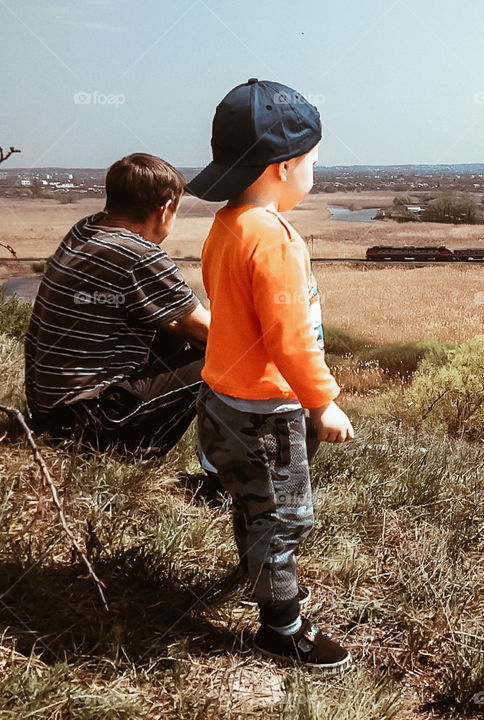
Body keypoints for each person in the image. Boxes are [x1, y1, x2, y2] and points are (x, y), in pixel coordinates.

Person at [188, 78, 355, 673]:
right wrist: (322, 400)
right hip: (268, 410)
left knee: (252, 502)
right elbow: (289, 336)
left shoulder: (227, 224)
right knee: (285, 515)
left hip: (222, 398)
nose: (314, 170)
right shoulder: (276, 239)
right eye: (312, 160)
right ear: (284, 166)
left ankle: (258, 575)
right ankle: (281, 629)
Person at [24, 153, 210, 461]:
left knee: (174, 328)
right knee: (223, 358)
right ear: (164, 210)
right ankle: (145, 457)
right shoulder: (139, 254)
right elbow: (207, 329)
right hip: (88, 425)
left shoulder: (85, 229)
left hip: (49, 413)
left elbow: (177, 321)